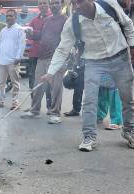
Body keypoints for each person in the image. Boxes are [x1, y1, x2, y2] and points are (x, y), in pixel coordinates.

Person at [41, 0, 134, 151]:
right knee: (89, 100)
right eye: (73, 3)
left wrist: (132, 46)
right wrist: (50, 72)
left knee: (127, 98)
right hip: (93, 61)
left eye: (80, 2)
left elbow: (128, 24)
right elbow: (62, 49)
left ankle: (129, 130)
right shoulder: (73, 22)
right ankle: (89, 136)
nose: (76, 6)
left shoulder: (109, 5)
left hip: (120, 56)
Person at [21, 0, 67, 124]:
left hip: (56, 59)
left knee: (56, 87)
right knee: (38, 84)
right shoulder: (47, 20)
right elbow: (41, 35)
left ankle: (55, 114)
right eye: (52, 3)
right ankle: (34, 110)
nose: (54, 5)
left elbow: (68, 39)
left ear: (61, 5)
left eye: (56, 3)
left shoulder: (65, 20)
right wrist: (31, 33)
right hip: (42, 57)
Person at [0, 9, 26, 110]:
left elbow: (22, 45)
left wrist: (18, 57)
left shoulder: (20, 29)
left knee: (15, 83)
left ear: (15, 17)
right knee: (0, 83)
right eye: (7, 16)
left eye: (11, 16)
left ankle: (15, 103)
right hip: (1, 61)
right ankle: (0, 102)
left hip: (13, 61)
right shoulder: (3, 30)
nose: (8, 18)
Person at [27, 0, 53, 113]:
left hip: (47, 55)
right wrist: (29, 33)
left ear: (48, 5)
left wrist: (35, 34)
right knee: (33, 81)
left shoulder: (52, 18)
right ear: (38, 6)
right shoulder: (34, 20)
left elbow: (47, 35)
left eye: (44, 3)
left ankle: (50, 107)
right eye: (40, 3)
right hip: (34, 54)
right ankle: (34, 107)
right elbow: (30, 35)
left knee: (49, 82)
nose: (42, 5)